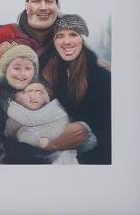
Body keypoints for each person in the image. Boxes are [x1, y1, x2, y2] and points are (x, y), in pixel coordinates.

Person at [42, 14, 111, 164]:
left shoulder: (102, 77)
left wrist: (84, 135)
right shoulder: (47, 73)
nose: (67, 41)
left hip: (94, 158)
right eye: (60, 36)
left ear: (82, 40)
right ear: (53, 42)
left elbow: (110, 127)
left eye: (73, 34)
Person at [5, 81, 96, 165]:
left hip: (62, 149)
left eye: (40, 92)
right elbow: (11, 134)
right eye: (27, 93)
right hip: (36, 152)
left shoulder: (54, 111)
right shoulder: (17, 117)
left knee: (85, 133)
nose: (34, 95)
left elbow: (64, 124)